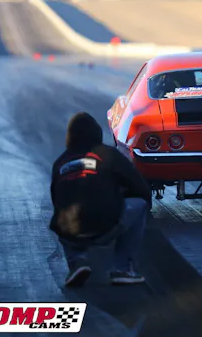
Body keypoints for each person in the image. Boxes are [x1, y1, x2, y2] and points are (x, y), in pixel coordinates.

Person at [50, 112, 152, 287]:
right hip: (105, 224)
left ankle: (77, 261)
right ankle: (122, 269)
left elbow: (56, 199)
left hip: (70, 230)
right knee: (140, 204)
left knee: (62, 217)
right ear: (96, 132)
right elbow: (140, 186)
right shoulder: (108, 154)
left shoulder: (59, 163)